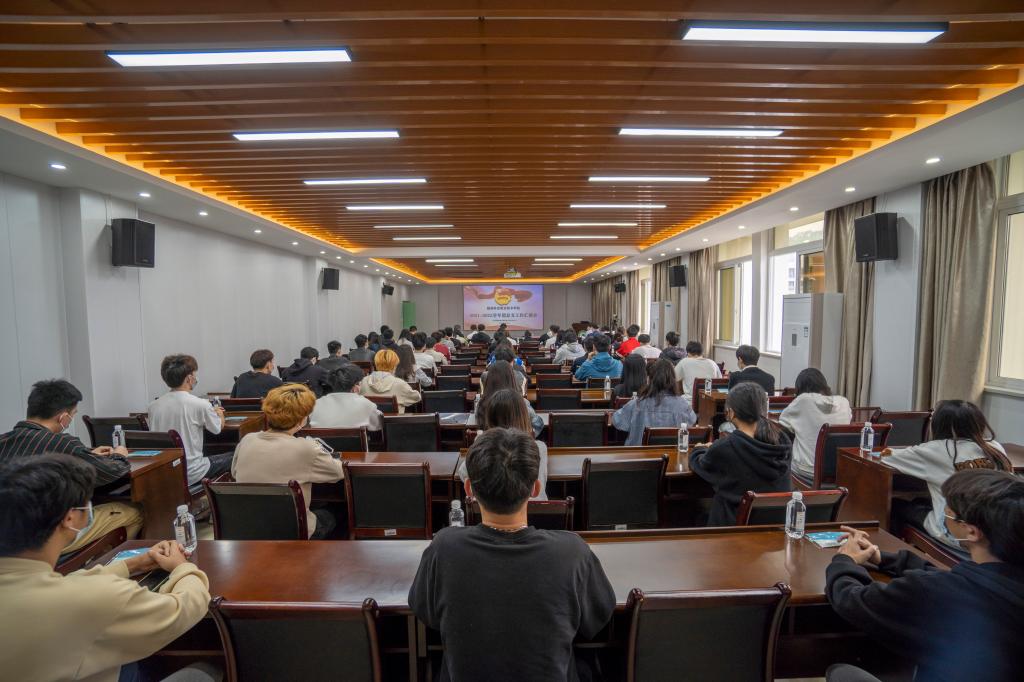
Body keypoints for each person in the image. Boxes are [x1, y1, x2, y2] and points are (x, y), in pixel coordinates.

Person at [408, 428, 615, 681]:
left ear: (469, 489)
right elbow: (597, 619)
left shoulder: (443, 548)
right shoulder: (573, 552)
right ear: (536, 488)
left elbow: (427, 614)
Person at [0, 453, 213, 682]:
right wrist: (182, 567)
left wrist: (133, 564)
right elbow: (185, 609)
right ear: (70, 518)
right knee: (203, 673)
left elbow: (66, 584)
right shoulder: (98, 599)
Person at [825, 469, 1024, 682]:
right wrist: (883, 559)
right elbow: (957, 580)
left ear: (972, 531)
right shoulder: (998, 581)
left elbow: (853, 600)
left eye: (949, 511)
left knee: (841, 673)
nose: (944, 513)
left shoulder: (935, 593)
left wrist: (844, 559)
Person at [0, 379, 142, 555]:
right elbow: (113, 470)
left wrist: (88, 456)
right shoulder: (62, 442)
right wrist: (119, 455)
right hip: (44, 537)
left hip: (7, 535)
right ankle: (100, 564)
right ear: (63, 418)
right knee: (135, 512)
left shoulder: (4, 440)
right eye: (73, 415)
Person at [882, 400, 1010, 553]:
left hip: (958, 531)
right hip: (998, 528)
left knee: (895, 505)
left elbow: (886, 457)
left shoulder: (936, 449)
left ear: (939, 425)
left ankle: (898, 556)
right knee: (921, 501)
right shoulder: (994, 447)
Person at [232, 385, 343, 540]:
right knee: (336, 512)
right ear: (302, 419)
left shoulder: (247, 440)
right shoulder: (306, 448)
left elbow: (234, 473)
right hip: (294, 530)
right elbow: (338, 473)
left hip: (250, 528)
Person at [689, 383, 792, 526]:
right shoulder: (783, 441)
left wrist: (699, 449)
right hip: (776, 526)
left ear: (731, 413)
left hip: (734, 529)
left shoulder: (726, 447)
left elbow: (700, 464)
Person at [147, 354, 230, 486]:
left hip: (165, 471)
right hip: (193, 472)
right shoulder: (200, 404)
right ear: (189, 378)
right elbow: (217, 429)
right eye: (194, 374)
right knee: (237, 455)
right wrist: (220, 414)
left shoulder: (153, 406)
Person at [459, 388, 548, 498]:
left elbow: (463, 472)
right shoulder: (538, 447)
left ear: (490, 420)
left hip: (490, 506)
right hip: (535, 506)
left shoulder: (484, 445)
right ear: (524, 417)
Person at [779, 368, 853, 483]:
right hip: (838, 471)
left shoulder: (802, 400)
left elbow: (782, 421)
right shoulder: (844, 402)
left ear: (800, 388)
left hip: (807, 470)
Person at [612, 359, 697, 446]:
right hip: (671, 453)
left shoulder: (637, 403)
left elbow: (617, 421)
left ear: (649, 379)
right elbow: (692, 421)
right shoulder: (682, 404)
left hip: (638, 452)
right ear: (673, 380)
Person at [477, 361, 542, 436]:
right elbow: (537, 423)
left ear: (489, 380)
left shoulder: (481, 404)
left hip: (490, 442)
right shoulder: (521, 402)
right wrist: (528, 436)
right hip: (519, 442)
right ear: (512, 378)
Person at [310, 364, 382, 432]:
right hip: (356, 441)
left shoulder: (315, 404)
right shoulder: (366, 404)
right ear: (355, 387)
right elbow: (378, 426)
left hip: (320, 441)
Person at [674, 340, 722, 405]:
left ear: (688, 353)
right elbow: (720, 380)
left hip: (690, 402)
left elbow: (672, 378)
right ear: (701, 353)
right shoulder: (712, 363)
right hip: (709, 402)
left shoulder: (684, 362)